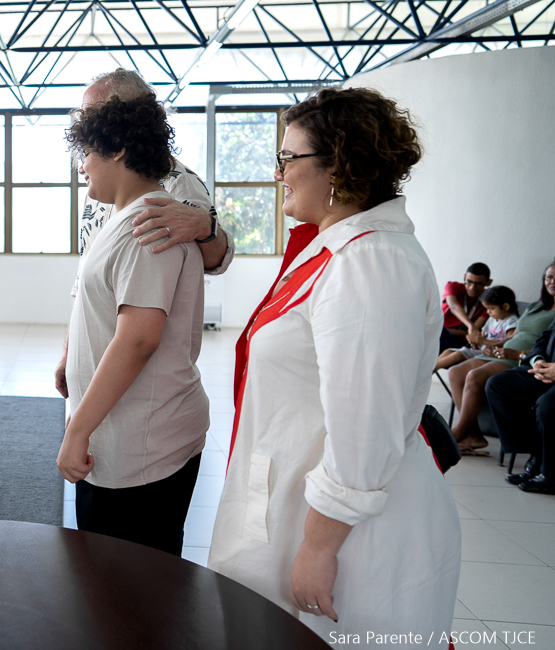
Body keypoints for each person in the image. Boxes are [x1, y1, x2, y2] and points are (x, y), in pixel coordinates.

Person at [207, 87, 460, 647]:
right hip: (297, 501)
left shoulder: (370, 264)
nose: (278, 174)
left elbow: (364, 430)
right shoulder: (339, 247)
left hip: (350, 540)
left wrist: (320, 548)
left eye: (287, 158)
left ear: (339, 166)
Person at [56, 89, 209, 555]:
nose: (82, 167)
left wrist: (77, 431)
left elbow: (139, 339)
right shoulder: (123, 219)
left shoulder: (149, 223)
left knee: (130, 586)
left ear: (118, 149)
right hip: (122, 437)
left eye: (86, 153)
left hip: (143, 450)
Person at [56, 67, 234, 400]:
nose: (87, 129)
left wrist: (205, 227)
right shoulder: (98, 188)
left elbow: (214, 261)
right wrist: (71, 351)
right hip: (96, 375)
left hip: (139, 388)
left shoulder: (179, 184)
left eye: (93, 117)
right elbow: (85, 279)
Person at [446, 263, 555, 454]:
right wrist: (495, 346)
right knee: (455, 372)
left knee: (474, 376)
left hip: (523, 358)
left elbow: (547, 347)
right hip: (504, 351)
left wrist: (520, 354)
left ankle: (456, 434)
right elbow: (516, 334)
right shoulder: (536, 306)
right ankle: (473, 435)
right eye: (549, 277)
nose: (551, 282)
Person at [487, 317, 555, 493]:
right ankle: (538, 455)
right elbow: (545, 338)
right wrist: (537, 360)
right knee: (498, 386)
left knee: (547, 405)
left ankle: (550, 475)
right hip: (547, 370)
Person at [434, 285, 518, 372]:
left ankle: (426, 372)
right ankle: (428, 372)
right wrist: (476, 341)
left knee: (458, 354)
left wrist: (483, 341)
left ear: (505, 307)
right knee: (448, 351)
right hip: (481, 350)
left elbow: (510, 345)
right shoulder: (493, 318)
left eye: (491, 309)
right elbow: (484, 336)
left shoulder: (511, 322)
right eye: (487, 309)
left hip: (491, 355)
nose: (488, 312)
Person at [438, 262, 492, 352]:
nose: (472, 287)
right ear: (464, 277)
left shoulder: (488, 301)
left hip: (459, 340)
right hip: (439, 331)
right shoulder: (453, 286)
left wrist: (440, 330)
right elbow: (454, 306)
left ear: (488, 282)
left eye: (479, 283)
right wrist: (470, 325)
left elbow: (472, 333)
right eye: (469, 281)